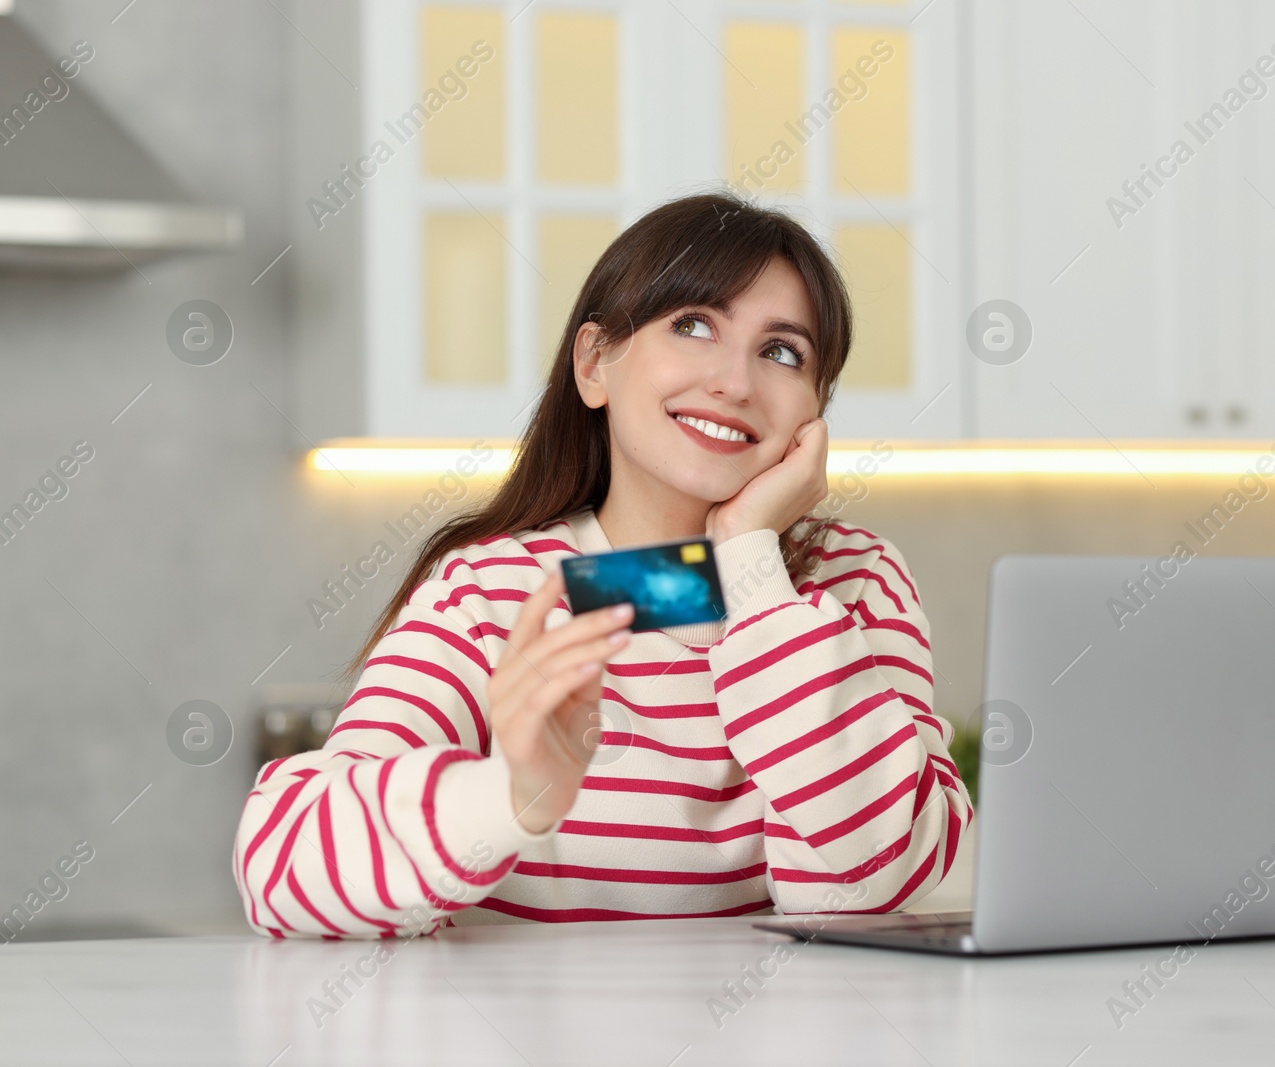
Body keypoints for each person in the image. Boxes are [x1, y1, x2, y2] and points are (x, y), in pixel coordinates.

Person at [233, 192, 972, 936]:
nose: (735, 382)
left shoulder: (852, 579)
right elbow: (282, 862)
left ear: (814, 410)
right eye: (692, 325)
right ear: (594, 363)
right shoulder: (493, 594)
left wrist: (749, 557)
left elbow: (863, 887)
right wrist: (510, 794)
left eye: (782, 351)